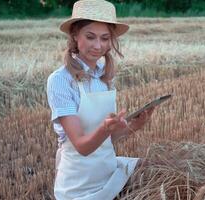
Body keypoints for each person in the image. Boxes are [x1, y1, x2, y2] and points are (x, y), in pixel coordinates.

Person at [46, 0, 154, 199]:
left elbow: (107, 140)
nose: (98, 46)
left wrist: (134, 126)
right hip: (78, 186)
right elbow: (82, 146)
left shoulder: (104, 77)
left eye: (105, 38)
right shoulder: (60, 80)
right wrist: (106, 128)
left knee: (157, 167)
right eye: (90, 37)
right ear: (75, 36)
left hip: (108, 173)